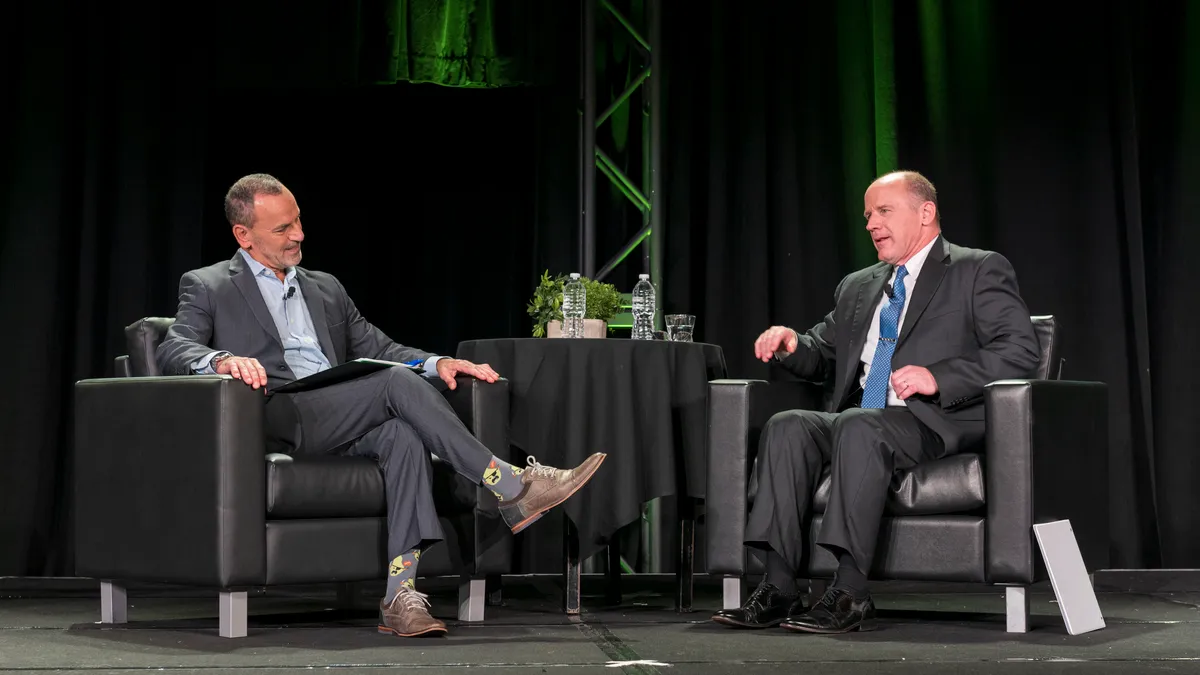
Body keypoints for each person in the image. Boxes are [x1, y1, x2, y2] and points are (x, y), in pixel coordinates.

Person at [157, 173, 606, 638]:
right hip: (277, 413)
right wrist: (224, 360)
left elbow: (378, 345)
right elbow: (174, 348)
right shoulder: (209, 285)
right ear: (243, 235)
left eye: (299, 222)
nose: (298, 236)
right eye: (282, 229)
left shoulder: (324, 287)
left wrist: (439, 362)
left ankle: (399, 596)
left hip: (340, 408)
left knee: (403, 435)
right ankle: (510, 483)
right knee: (392, 385)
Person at [711, 171, 1040, 634]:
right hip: (861, 418)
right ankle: (780, 588)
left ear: (925, 213)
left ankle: (849, 593)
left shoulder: (976, 268)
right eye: (867, 215)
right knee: (788, 424)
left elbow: (1020, 351)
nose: (871, 224)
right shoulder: (858, 285)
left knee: (859, 426)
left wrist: (938, 376)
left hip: (932, 419)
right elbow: (825, 353)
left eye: (884, 211)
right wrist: (793, 346)